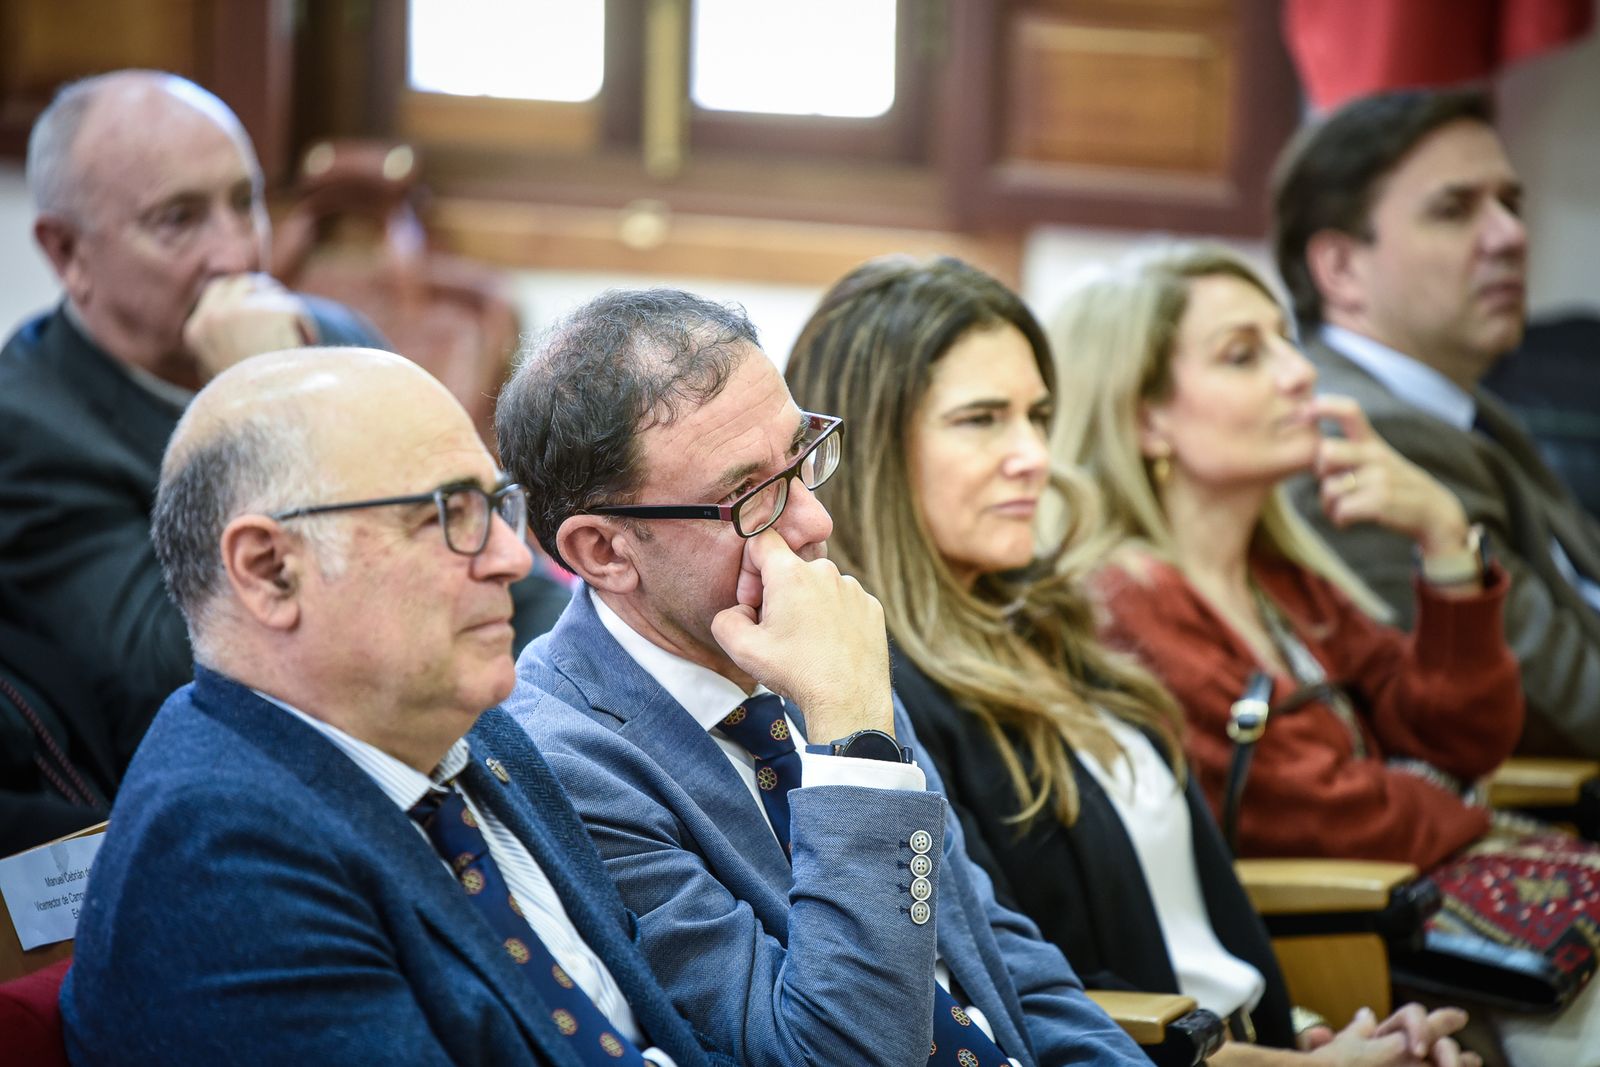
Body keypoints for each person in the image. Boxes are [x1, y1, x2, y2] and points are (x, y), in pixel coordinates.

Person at [784, 253, 1481, 1067]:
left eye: (1039, 416)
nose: (1033, 455)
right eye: (982, 420)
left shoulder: (1056, 623)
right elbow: (1016, 995)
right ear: (870, 449)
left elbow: (1197, 933)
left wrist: (1325, 1040)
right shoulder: (877, 696)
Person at [495, 288, 1146, 1066]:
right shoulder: (568, 766)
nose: (813, 523)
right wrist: (854, 733)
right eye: (747, 496)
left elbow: (998, 956)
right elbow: (836, 1052)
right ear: (604, 551)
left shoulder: (796, 637)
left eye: (801, 460)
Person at [60, 347, 727, 1067]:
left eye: (498, 507)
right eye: (447, 514)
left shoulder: (482, 736)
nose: (511, 557)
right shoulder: (218, 855)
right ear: (270, 570)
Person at [1052, 242, 1600, 1066]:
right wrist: (1464, 808)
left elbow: (1463, 736)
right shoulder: (1127, 604)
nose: (1299, 373)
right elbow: (1324, 814)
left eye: (1285, 340)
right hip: (1339, 942)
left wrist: (1445, 540)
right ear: (1145, 415)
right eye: (1245, 354)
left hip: (1435, 909)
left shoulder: (1284, 576)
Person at [0, 70, 385, 750]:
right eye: (178, 219)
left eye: (246, 201)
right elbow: (175, 671)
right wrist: (258, 391)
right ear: (67, 252)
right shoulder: (27, 426)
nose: (237, 253)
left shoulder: (333, 337)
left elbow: (475, 548)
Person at [1272, 86, 1600, 758]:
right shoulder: (1359, 437)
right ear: (1339, 267)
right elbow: (1559, 709)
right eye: (1455, 211)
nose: (1510, 236)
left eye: (1510, 203)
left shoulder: (1468, 410)